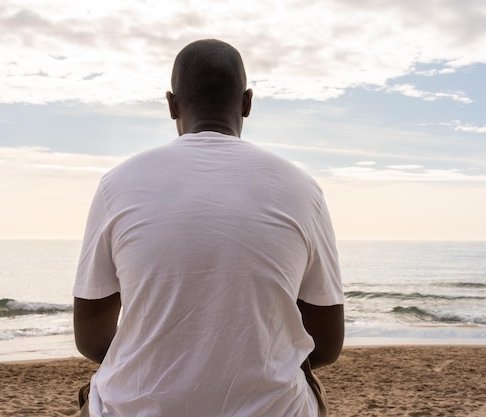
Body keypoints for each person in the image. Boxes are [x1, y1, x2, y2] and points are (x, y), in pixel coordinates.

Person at [73, 39, 344, 417]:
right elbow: (327, 345)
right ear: (247, 102)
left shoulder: (117, 184)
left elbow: (90, 339)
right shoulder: (302, 188)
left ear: (171, 105)